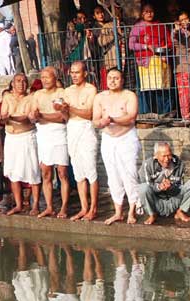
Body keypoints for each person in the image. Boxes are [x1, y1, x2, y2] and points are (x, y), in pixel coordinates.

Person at [93, 68, 141, 225]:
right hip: (108, 138)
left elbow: (131, 117)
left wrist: (112, 119)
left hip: (126, 138)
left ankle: (132, 210)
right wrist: (101, 123)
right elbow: (95, 120)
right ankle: (118, 212)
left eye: (116, 78)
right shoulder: (100, 97)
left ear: (122, 80)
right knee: (112, 176)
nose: (112, 81)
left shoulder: (129, 96)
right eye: (110, 78)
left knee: (130, 173)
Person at [28, 67, 70, 219]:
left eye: (48, 77)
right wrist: (35, 116)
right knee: (46, 173)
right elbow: (32, 117)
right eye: (42, 77)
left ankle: (64, 206)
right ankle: (50, 207)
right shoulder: (37, 94)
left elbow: (62, 117)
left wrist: (42, 116)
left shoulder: (61, 93)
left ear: (55, 77)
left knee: (62, 172)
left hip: (59, 133)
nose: (45, 80)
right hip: (43, 134)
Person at [62, 61, 99, 222]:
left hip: (86, 129)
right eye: (72, 72)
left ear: (84, 73)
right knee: (78, 172)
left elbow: (89, 113)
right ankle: (84, 207)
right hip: (72, 129)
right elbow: (65, 117)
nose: (74, 75)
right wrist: (62, 110)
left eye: (77, 72)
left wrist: (69, 108)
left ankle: (94, 208)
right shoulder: (67, 91)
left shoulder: (91, 89)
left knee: (90, 171)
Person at [0, 73, 41, 216]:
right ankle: (18, 204)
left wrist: (10, 117)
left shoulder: (32, 98)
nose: (21, 84)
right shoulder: (7, 97)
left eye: (24, 81)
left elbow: (26, 118)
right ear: (12, 83)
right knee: (13, 172)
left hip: (27, 137)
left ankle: (35, 204)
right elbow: (3, 116)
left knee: (33, 171)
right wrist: (2, 118)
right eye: (18, 81)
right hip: (11, 137)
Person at [136, 142, 190, 224]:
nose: (167, 159)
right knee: (142, 188)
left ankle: (180, 211)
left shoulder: (179, 164)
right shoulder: (147, 165)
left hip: (174, 201)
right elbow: (146, 185)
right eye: (163, 156)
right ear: (156, 155)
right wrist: (159, 187)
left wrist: (171, 186)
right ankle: (152, 214)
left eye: (169, 155)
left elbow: (181, 186)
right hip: (156, 203)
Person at [129, 4, 172, 116]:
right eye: (146, 12)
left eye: (151, 11)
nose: (149, 14)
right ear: (142, 13)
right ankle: (148, 115)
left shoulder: (161, 26)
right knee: (147, 90)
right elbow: (131, 45)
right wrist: (145, 46)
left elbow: (169, 42)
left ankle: (165, 114)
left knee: (162, 89)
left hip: (161, 61)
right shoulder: (137, 27)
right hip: (145, 63)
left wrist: (164, 48)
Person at [172, 11, 190, 126]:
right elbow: (174, 36)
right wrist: (176, 29)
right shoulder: (176, 31)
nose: (185, 21)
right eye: (182, 20)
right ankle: (186, 118)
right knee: (184, 94)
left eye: (186, 18)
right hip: (182, 66)